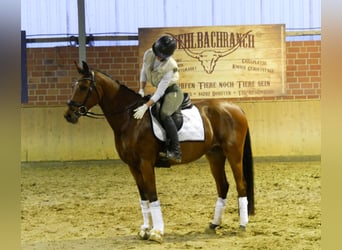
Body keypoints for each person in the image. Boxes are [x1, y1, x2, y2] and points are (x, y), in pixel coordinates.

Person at [133, 35, 183, 163]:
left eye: (161, 56)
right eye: (157, 53)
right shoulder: (149, 54)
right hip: (159, 91)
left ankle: (176, 151)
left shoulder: (170, 66)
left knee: (165, 114)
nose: (158, 57)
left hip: (172, 91)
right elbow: (144, 71)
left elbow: (160, 92)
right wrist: (141, 89)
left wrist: (146, 106)